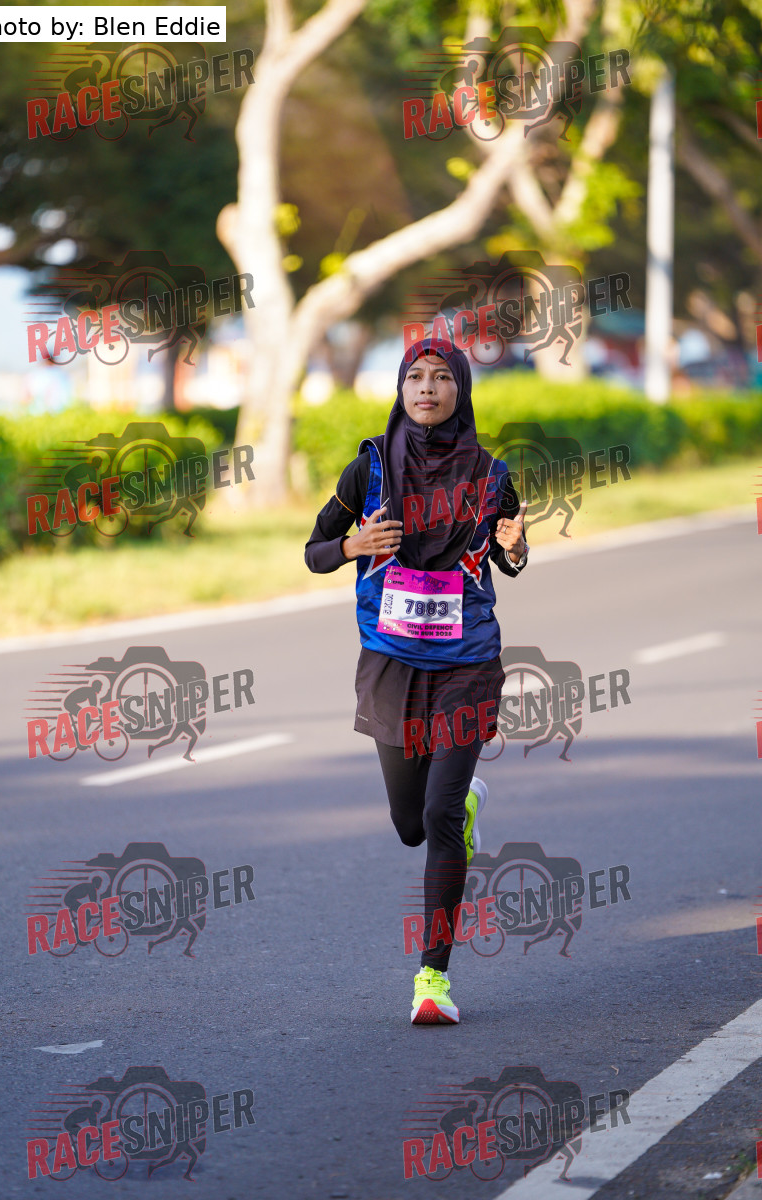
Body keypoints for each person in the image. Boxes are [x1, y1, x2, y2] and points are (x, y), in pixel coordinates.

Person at [305, 336, 528, 1024]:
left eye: (440, 377)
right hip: (391, 662)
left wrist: (518, 547)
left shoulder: (491, 475)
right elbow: (314, 551)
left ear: (461, 389)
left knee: (438, 818)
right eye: (415, 377)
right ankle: (463, 806)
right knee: (410, 824)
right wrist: (352, 545)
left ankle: (433, 979)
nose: (427, 388)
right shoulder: (368, 468)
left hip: (468, 662)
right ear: (401, 389)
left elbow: (510, 556)